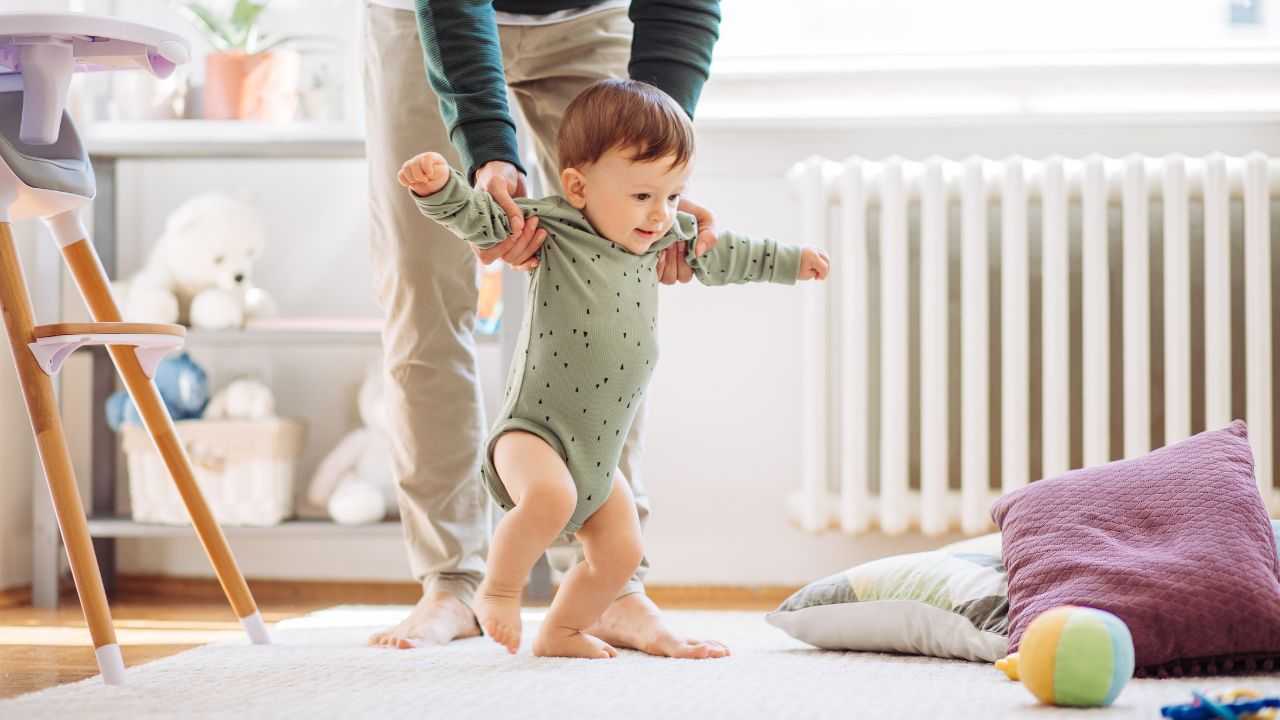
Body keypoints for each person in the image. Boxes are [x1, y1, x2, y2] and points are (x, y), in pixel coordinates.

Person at [400, 79, 830, 657]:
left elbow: (725, 254)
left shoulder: (661, 240)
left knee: (621, 553)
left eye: (674, 197)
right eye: (643, 197)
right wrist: (439, 188)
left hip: (598, 455)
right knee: (549, 499)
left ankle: (564, 629)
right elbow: (482, 219)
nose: (661, 215)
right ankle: (496, 592)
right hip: (535, 433)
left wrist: (791, 262)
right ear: (577, 186)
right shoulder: (552, 229)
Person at [362, 0, 729, 657]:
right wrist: (485, 152)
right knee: (423, 296)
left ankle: (609, 589)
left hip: (591, 21)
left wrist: (655, 174)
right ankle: (451, 584)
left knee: (615, 292)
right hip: (431, 20)